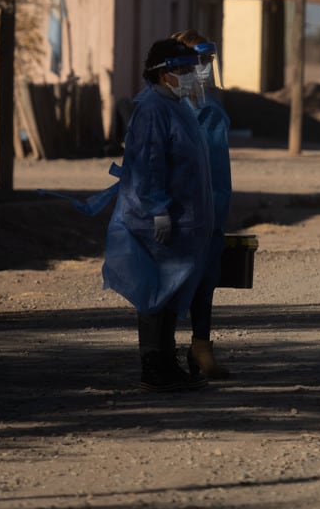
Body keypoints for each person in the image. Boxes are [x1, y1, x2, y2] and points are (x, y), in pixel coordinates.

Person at [103, 38, 214, 391]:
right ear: (162, 74)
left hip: (181, 219)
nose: (188, 76)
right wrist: (157, 210)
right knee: (155, 291)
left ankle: (167, 363)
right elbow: (150, 164)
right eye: (180, 70)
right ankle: (154, 365)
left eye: (189, 69)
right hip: (158, 218)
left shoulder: (177, 106)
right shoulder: (153, 109)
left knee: (171, 293)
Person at [171, 29, 233, 380]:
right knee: (173, 281)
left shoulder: (211, 106)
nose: (206, 68)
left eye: (209, 61)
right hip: (181, 207)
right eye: (199, 61)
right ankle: (162, 353)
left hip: (213, 205)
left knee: (206, 279)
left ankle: (201, 346)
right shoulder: (168, 106)